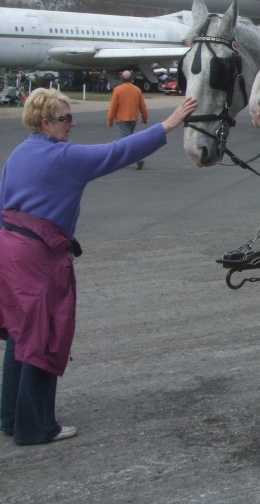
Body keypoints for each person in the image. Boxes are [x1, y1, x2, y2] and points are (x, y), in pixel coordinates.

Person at [0, 88, 198, 445]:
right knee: (43, 337)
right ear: (45, 122)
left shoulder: (19, 152)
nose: (72, 123)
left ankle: (12, 418)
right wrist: (169, 123)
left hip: (10, 251)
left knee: (19, 334)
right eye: (65, 118)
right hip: (38, 256)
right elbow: (118, 152)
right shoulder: (62, 157)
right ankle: (37, 427)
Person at [107, 70, 149, 170]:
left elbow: (113, 106)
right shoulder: (137, 90)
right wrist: (144, 117)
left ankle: (138, 159)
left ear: (121, 78)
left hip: (122, 119)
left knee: (127, 141)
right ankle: (123, 160)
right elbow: (142, 105)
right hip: (133, 118)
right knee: (128, 140)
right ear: (131, 79)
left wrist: (110, 120)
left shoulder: (118, 90)